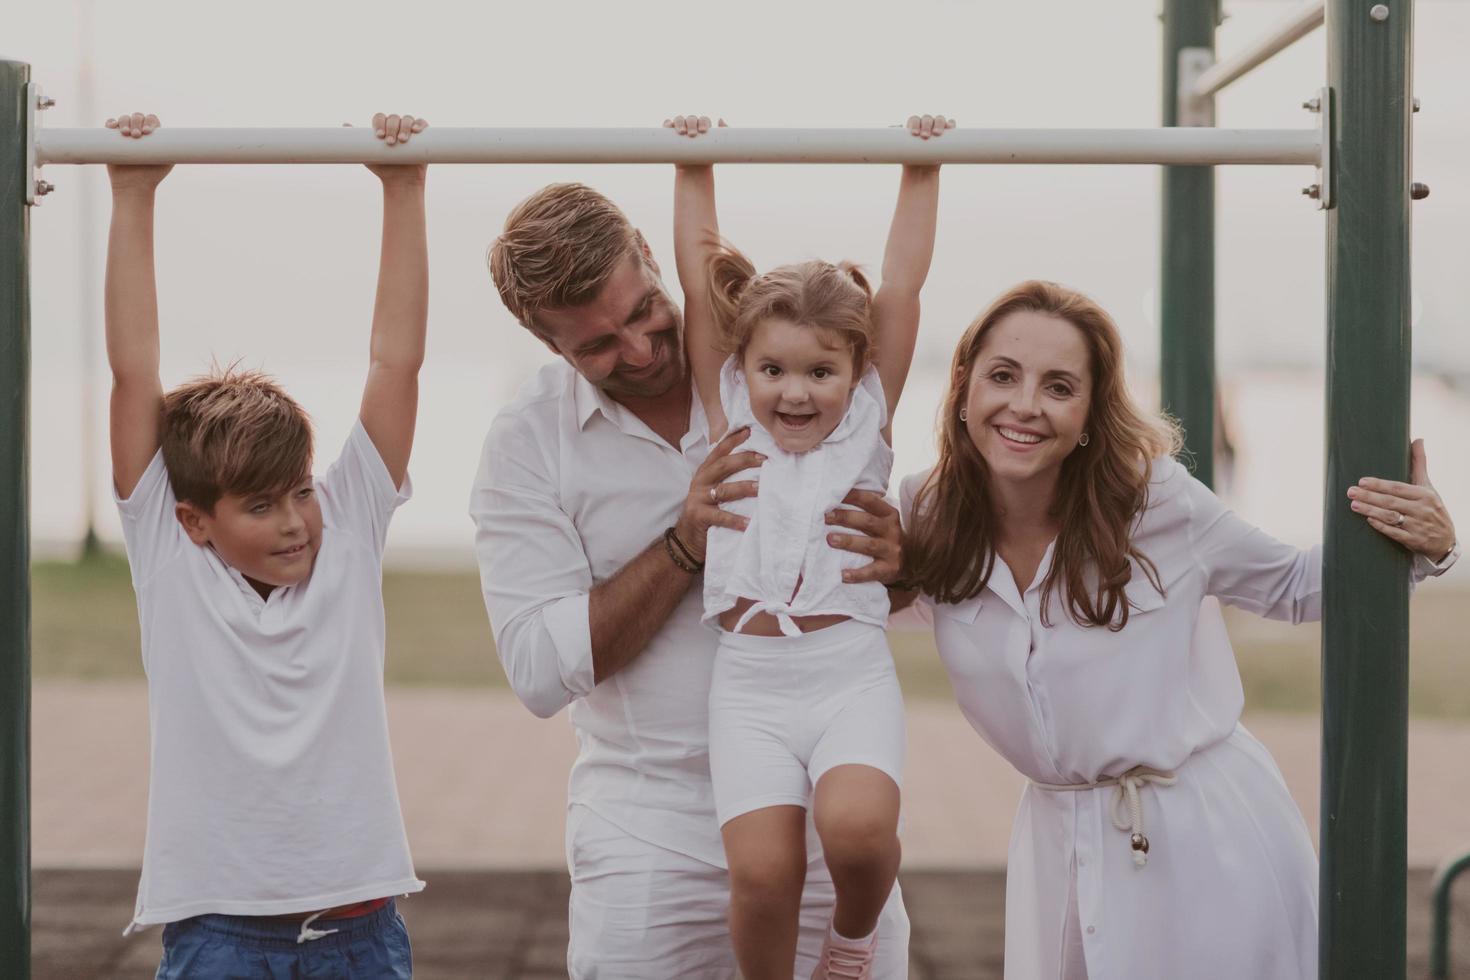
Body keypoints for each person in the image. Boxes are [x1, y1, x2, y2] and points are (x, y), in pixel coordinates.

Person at [472, 119, 936, 976]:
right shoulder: (527, 441)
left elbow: (890, 587)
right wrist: (685, 545)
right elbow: (539, 672)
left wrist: (910, 567)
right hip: (647, 830)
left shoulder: (777, 361)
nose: (642, 350)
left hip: (823, 806)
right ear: (549, 343)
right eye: (600, 345)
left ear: (649, 259)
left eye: (645, 313)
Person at [896, 279, 1460, 979]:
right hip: (1054, 849)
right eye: (1003, 376)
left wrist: (1429, 549)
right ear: (962, 386)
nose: (1025, 406)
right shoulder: (925, 512)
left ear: (1092, 412)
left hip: (1203, 836)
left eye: (1059, 386)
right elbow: (853, 599)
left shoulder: (1155, 502)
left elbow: (1293, 587)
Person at [105, 111, 430, 978]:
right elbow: (135, 371)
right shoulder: (170, 561)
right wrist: (133, 191)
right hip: (220, 933)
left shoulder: (349, 523)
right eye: (260, 506)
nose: (294, 520)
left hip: (357, 929)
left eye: (298, 492)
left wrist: (404, 186)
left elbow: (394, 362)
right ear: (195, 520)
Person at [669, 113, 949, 979]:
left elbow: (901, 288)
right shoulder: (728, 427)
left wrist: (920, 163)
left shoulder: (866, 429)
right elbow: (697, 277)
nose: (794, 392)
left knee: (861, 835)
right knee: (761, 875)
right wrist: (694, 159)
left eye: (820, 372)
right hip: (748, 684)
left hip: (846, 672)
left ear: (855, 373)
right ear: (741, 368)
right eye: (774, 370)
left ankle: (851, 944)